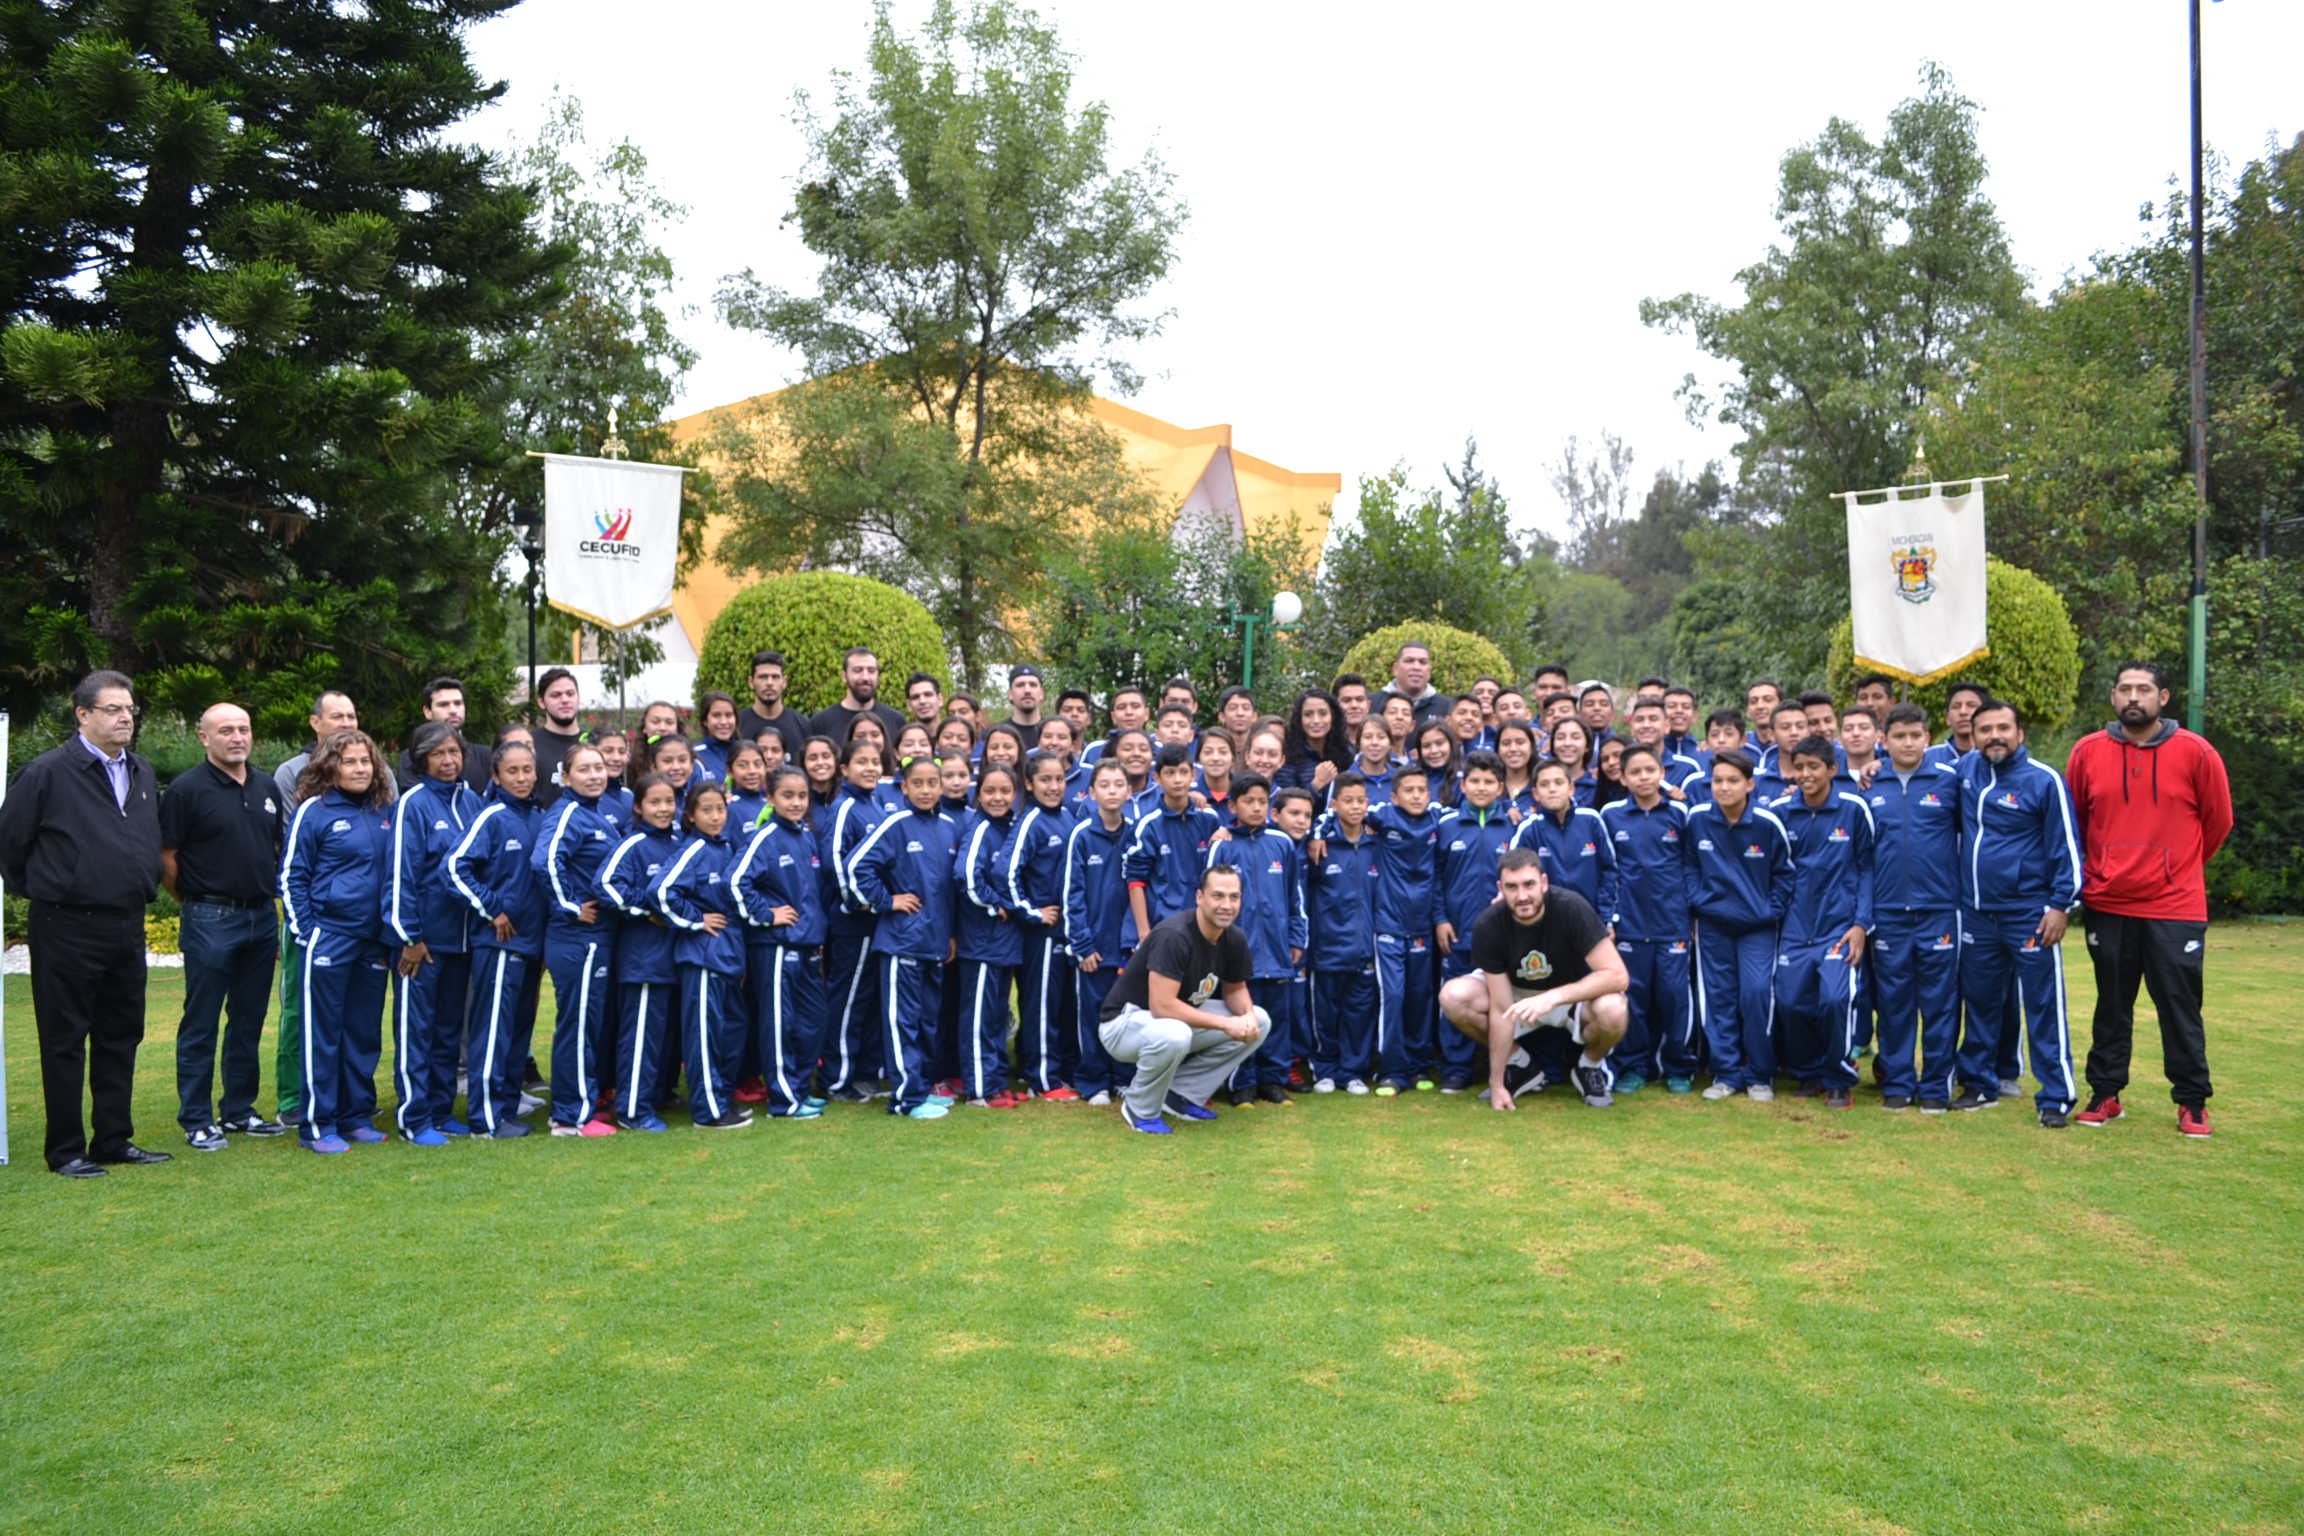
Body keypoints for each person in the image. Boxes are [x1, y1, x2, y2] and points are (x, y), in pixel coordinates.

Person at [0, 671, 170, 1176]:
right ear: (83, 715)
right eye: (114, 709)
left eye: (130, 710)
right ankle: (66, 1149)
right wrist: (52, 886)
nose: (125, 718)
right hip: (67, 924)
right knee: (65, 1036)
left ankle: (113, 1139)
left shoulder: (139, 771)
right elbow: (11, 846)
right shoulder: (47, 773)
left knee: (122, 1033)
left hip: (126, 922)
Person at [2063, 662, 2233, 1136]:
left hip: (2174, 907)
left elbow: (2217, 823)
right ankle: (2105, 1093)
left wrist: (2175, 869)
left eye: (2143, 689)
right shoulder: (2087, 752)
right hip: (2108, 902)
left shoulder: (2197, 752)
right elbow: (2074, 823)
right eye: (2124, 689)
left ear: (2164, 697)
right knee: (2111, 1004)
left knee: (2179, 1006)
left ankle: (2193, 1101)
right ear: (2113, 697)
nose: (2133, 697)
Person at [159, 702, 287, 1149]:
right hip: (210, 917)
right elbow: (166, 858)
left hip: (259, 917)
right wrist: (194, 901)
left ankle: (238, 1111)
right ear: (204, 738)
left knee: (249, 1020)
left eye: (244, 729)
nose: (237, 737)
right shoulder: (185, 790)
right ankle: (196, 1117)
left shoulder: (266, 785)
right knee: (202, 1022)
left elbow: (273, 849)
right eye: (226, 730)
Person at [1952, 699, 2083, 1126]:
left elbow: (2067, 849)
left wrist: (2061, 906)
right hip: (1976, 915)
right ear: (1973, 737)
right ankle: (1979, 1084)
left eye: (2002, 728)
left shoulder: (2043, 781)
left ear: (2020, 733)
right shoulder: (1963, 774)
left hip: (2030, 914)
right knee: (1982, 1003)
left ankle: (2055, 1098)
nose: (1994, 736)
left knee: (2043, 1004)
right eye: (1984, 729)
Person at [1438, 849, 1630, 1111]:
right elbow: (1501, 1008)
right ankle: (1519, 1065)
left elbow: (1618, 976)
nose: (1522, 896)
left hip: (1570, 995)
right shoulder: (1489, 924)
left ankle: (1589, 1066)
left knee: (1614, 1009)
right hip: (1517, 996)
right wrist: (1496, 1085)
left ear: (1544, 882)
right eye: (1512, 887)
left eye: (1529, 884)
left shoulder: (1571, 908)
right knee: (1454, 995)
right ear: (1500, 888)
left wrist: (1553, 997)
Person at [280, 728, 396, 1152]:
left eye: (366, 761)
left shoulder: (385, 810)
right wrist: (308, 933)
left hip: (373, 942)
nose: (361, 768)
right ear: (331, 765)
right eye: (350, 761)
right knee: (323, 1033)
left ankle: (355, 1116)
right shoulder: (314, 811)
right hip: (330, 939)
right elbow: (293, 876)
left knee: (362, 1034)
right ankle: (318, 1123)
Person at [1096, 865, 1269, 1134]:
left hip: (1168, 1022)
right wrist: (1225, 1025)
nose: (1226, 905)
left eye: (1234, 897)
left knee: (1260, 1020)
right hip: (1122, 1025)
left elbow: (1235, 990)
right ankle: (1138, 1106)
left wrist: (1245, 1016)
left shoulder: (1234, 937)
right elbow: (1162, 1006)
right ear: (1200, 897)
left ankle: (1180, 1096)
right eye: (1218, 896)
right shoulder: (1174, 935)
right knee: (1175, 1033)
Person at [848, 753, 962, 1120]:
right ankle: (904, 1099)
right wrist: (887, 900)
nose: (926, 790)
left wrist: (950, 934)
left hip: (935, 943)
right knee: (903, 1022)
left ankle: (922, 1087)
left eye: (933, 783)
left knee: (928, 1021)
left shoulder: (948, 826)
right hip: (901, 943)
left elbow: (946, 890)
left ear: (942, 786)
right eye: (918, 784)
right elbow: (856, 867)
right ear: (904, 788)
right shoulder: (894, 823)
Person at [1766, 736, 1876, 1110]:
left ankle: (1838, 1077)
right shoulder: (1782, 811)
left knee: (1833, 999)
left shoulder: (1854, 809)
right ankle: (1809, 1072)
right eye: (1799, 767)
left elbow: (1866, 869)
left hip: (1838, 927)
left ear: (1832, 769)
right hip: (1795, 929)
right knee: (1790, 1003)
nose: (1806, 774)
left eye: (1814, 767)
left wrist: (1861, 923)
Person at [1866, 704, 1966, 1112]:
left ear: (1928, 737)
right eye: (1899, 736)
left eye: (1915, 735)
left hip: (1940, 909)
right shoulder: (1869, 785)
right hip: (1888, 912)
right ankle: (1898, 1083)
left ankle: (1936, 1086)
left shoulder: (1949, 782)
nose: (1908, 743)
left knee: (1940, 1002)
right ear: (1884, 741)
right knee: (1894, 1003)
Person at [385, 721, 481, 1145]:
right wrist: (410, 935)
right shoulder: (413, 804)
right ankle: (414, 1117)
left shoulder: (473, 801)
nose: (448, 761)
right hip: (422, 944)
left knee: (447, 1032)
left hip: (463, 942)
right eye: (439, 754)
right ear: (422, 759)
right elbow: (400, 873)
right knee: (416, 1031)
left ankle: (442, 1110)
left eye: (454, 753)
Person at [448, 739, 546, 1136]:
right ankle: (484, 1119)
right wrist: (492, 909)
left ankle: (506, 1106)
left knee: (518, 1031)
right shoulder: (491, 818)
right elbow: (455, 867)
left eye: (527, 770)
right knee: (493, 1030)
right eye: (512, 771)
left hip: (533, 944)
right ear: (496, 776)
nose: (521, 778)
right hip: (500, 944)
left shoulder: (539, 817)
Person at [1687, 752, 1793, 1101]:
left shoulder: (1766, 822)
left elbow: (1785, 874)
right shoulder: (1698, 819)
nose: (1724, 787)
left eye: (1733, 780)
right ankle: (1726, 1073)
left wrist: (1768, 911)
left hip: (1757, 928)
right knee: (1718, 999)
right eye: (1717, 780)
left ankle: (1760, 1074)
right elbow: (1689, 867)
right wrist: (1700, 901)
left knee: (1756, 994)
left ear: (1750, 784)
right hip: (1714, 926)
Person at [733, 764, 832, 1120]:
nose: (795, 803)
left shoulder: (806, 834)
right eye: (787, 796)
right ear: (771, 797)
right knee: (780, 1024)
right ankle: (783, 1100)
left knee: (815, 1020)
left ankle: (800, 1087)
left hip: (808, 945)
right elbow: (736, 882)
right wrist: (766, 914)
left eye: (802, 796)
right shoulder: (764, 837)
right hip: (775, 948)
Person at [535, 742, 622, 1136]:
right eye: (584, 769)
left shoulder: (595, 814)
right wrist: (571, 906)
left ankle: (579, 1106)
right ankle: (571, 1116)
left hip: (597, 937)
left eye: (599, 767)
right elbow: (544, 860)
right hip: (577, 937)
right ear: (566, 777)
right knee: (577, 1025)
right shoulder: (569, 812)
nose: (594, 775)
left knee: (587, 1024)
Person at [1599, 746, 1697, 1094]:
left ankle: (1678, 1066)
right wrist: (1610, 916)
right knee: (1634, 1000)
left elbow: (1691, 867)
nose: (1643, 777)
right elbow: (1609, 871)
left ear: (1660, 773)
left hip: (1672, 923)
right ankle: (1634, 1067)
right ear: (1623, 778)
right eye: (1635, 772)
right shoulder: (1610, 816)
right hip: (1629, 924)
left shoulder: (1680, 813)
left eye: (1649, 770)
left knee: (1674, 997)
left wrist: (1691, 914)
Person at [1205, 774, 1306, 1105]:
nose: (1256, 807)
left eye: (1262, 801)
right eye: (1248, 801)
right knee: (1241, 1017)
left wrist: (1296, 937)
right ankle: (1241, 1083)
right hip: (1238, 949)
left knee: (1276, 1018)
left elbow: (1295, 896)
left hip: (1276, 949)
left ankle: (1272, 1081)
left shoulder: (1281, 843)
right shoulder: (1222, 845)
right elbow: (1208, 900)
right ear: (1233, 806)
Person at [656, 782, 751, 1130]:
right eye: (706, 810)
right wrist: (695, 921)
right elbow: (662, 892)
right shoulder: (693, 848)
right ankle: (707, 1112)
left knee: (730, 1032)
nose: (715, 816)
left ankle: (721, 1099)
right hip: (702, 958)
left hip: (728, 958)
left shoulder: (726, 846)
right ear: (691, 815)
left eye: (720, 809)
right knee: (704, 1035)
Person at [598, 773, 684, 1131]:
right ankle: (633, 1109)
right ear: (638, 806)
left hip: (675, 957)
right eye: (655, 802)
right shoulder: (632, 845)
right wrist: (645, 911)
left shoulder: (681, 842)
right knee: (641, 1037)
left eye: (669, 802)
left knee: (665, 1037)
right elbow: (605, 885)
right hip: (643, 960)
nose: (664, 809)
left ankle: (659, 1094)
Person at [1433, 752, 1518, 1094]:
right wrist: (1440, 918)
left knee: (1505, 1001)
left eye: (1489, 782)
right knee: (1455, 998)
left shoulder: (1514, 825)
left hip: (1504, 934)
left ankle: (1509, 1064)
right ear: (1463, 786)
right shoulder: (1447, 825)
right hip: (1458, 929)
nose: (1481, 788)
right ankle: (1456, 1068)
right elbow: (1435, 877)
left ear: (1500, 787)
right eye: (1474, 781)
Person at [1064, 758, 1140, 1106]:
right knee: (1092, 1014)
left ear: (1129, 790)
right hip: (1093, 948)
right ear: (1091, 792)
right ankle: (1093, 1081)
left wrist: (1136, 940)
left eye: (1118, 784)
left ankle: (1123, 1078)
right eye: (1104, 785)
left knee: (1127, 1016)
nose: (1112, 791)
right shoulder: (1081, 835)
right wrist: (1082, 944)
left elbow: (1143, 890)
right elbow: (1072, 893)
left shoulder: (1137, 833)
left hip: (1126, 948)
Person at [1005, 751, 1079, 1100]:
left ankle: (1061, 1069)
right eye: (1045, 780)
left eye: (1059, 779)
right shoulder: (1031, 820)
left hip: (1067, 929)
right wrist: (1032, 912)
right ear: (1030, 785)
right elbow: (1006, 873)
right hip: (1042, 933)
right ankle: (1042, 1079)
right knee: (1041, 1003)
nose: (1053, 787)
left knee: (1063, 1003)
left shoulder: (1068, 816)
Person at [1305, 770, 1380, 1093]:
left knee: (1359, 1014)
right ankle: (1325, 1069)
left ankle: (1352, 1072)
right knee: (1325, 1014)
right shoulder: (1320, 846)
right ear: (1333, 804)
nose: (1355, 807)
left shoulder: (1377, 844)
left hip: (1365, 948)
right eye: (1347, 800)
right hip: (1328, 947)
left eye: (1360, 801)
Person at [1124, 743, 1223, 941]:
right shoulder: (1148, 825)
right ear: (1157, 778)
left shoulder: (1209, 819)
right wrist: (1144, 933)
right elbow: (1135, 881)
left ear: (1193, 775)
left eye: (1183, 772)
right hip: (1163, 926)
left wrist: (1226, 834)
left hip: (1203, 925)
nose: (1177, 780)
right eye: (1169, 773)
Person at [394, 676, 492, 793]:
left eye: (458, 703)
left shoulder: (487, 756)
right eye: (443, 705)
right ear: (428, 712)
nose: (453, 710)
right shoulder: (412, 758)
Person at [274, 690, 359, 803]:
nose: (346, 724)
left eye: (351, 717)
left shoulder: (376, 770)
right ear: (315, 722)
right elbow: (292, 820)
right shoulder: (291, 772)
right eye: (337, 717)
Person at [811, 646, 907, 746]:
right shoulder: (822, 722)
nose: (865, 677)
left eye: (871, 670)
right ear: (844, 676)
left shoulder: (895, 720)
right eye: (857, 670)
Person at [736, 650, 810, 761]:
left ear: (784, 682)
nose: (769, 683)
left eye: (775, 677)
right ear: (751, 682)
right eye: (763, 677)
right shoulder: (737, 726)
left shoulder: (803, 725)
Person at [529, 667, 586, 807]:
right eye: (556, 695)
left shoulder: (592, 742)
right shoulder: (529, 744)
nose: (565, 700)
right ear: (541, 702)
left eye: (570, 694)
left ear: (578, 697)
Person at [1373, 641, 1451, 725]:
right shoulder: (1373, 704)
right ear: (1395, 669)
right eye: (1409, 661)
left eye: (1423, 662)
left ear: (1429, 671)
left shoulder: (1447, 708)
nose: (1416, 667)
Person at [1926, 682, 1987, 768]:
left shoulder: (1994, 756)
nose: (1963, 712)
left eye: (1971, 705)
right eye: (1956, 706)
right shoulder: (1927, 757)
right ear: (1947, 718)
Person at [1003, 665, 1048, 750]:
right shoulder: (998, 733)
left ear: (1042, 694)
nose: (1027, 690)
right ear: (1010, 695)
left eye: (1033, 685)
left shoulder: (1054, 734)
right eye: (1020, 685)